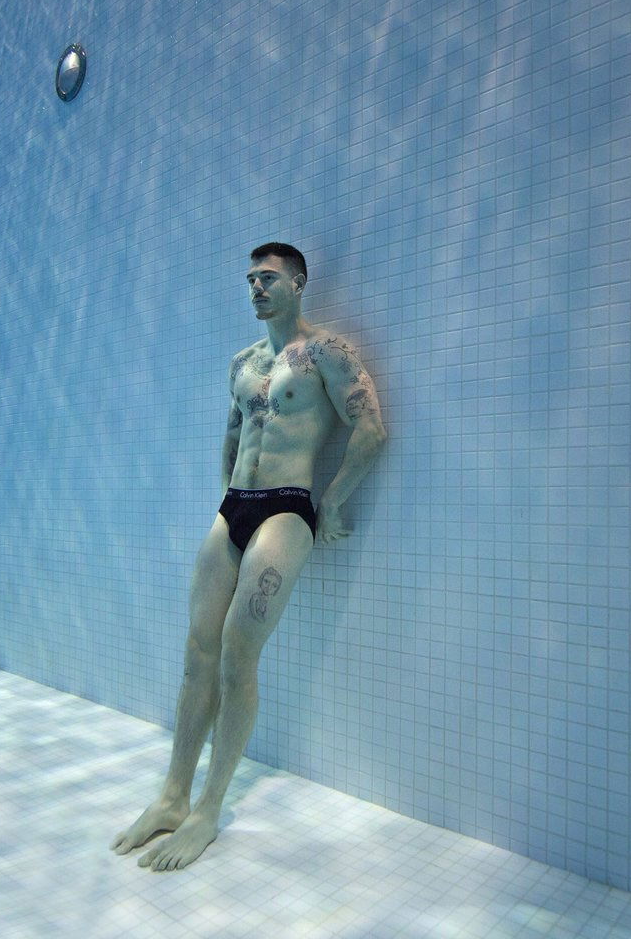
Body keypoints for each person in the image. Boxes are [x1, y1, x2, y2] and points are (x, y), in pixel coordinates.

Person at [110, 242, 388, 871]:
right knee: (195, 655)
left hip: (288, 509)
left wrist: (333, 503)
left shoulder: (325, 353)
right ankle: (171, 797)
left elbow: (370, 428)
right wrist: (224, 504)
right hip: (233, 507)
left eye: (268, 279)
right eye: (250, 280)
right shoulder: (242, 362)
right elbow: (232, 436)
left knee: (238, 655)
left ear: (299, 283)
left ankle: (207, 811)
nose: (256, 289)